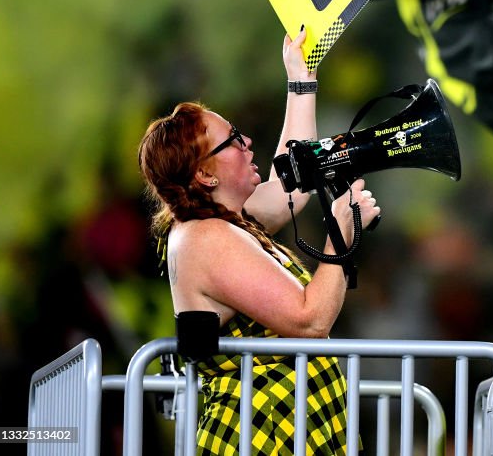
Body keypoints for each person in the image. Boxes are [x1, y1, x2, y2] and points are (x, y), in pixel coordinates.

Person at [138, 28, 380, 455]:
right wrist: (341, 235)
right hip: (262, 437)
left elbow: (293, 185)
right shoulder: (204, 237)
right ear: (204, 175)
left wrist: (301, 82)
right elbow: (309, 321)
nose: (248, 142)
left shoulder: (222, 222)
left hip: (282, 433)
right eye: (232, 141)